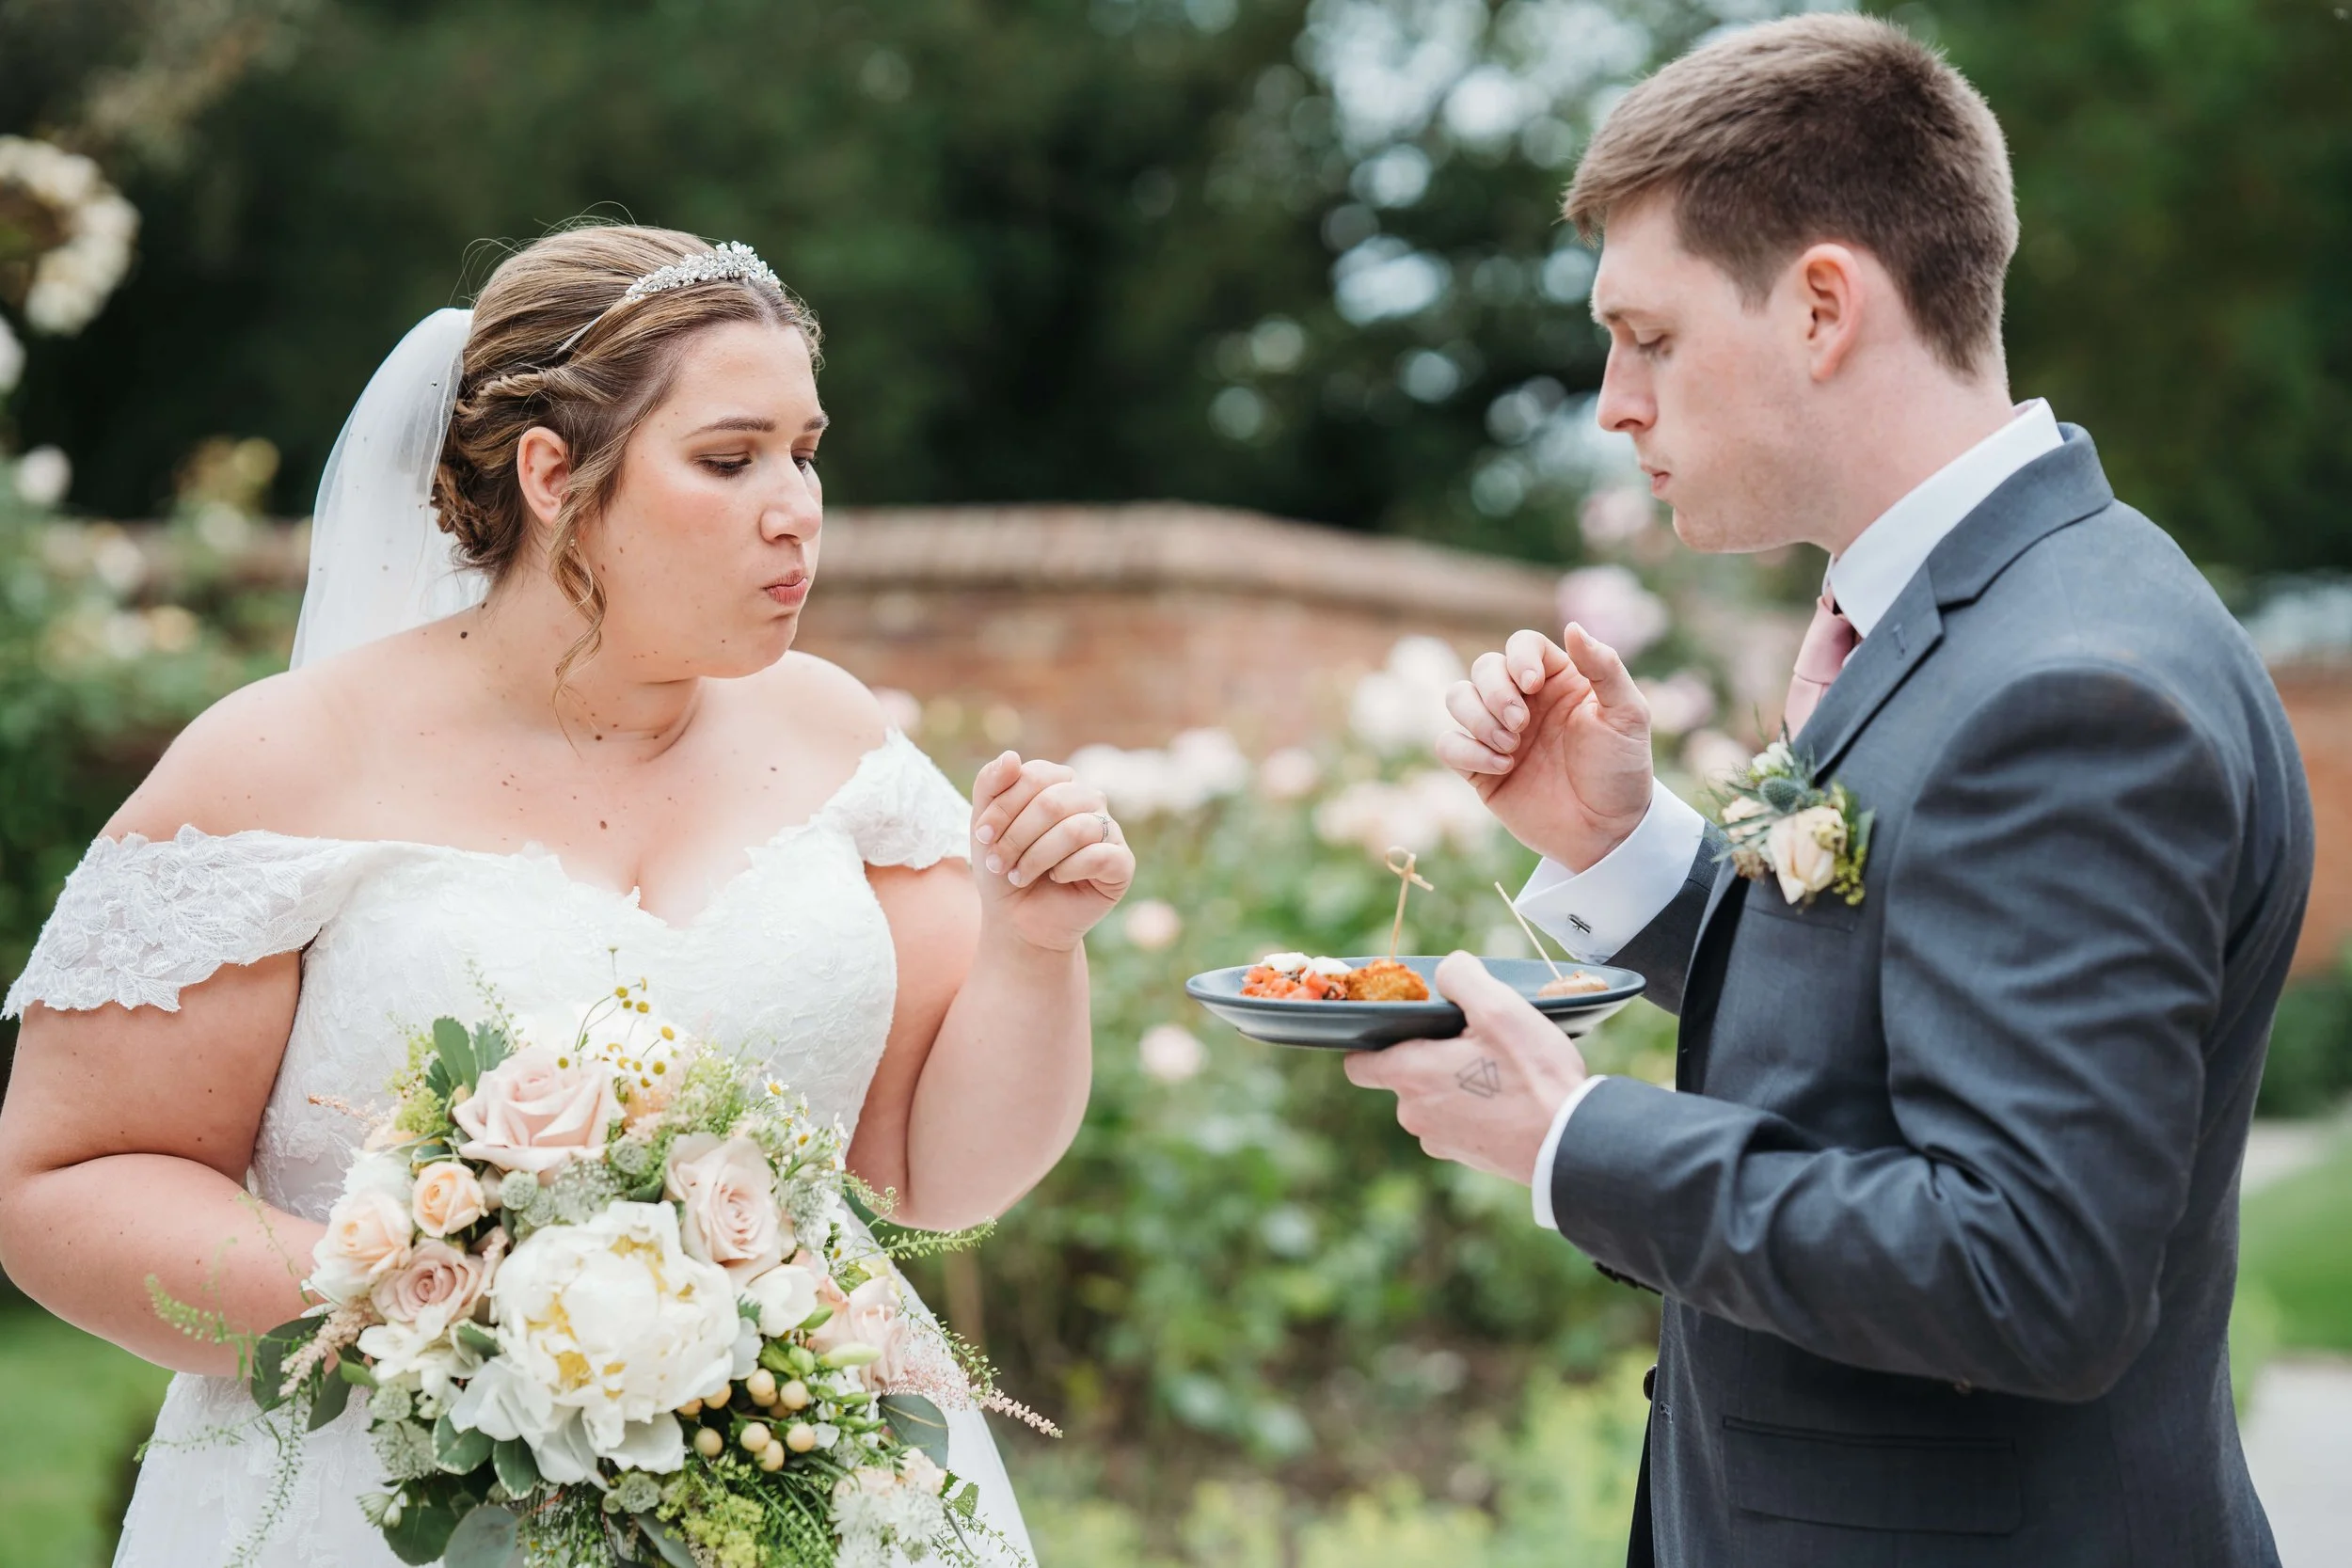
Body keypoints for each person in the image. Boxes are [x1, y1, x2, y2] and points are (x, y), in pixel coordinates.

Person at [0, 224, 1132, 1565]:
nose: (797, 507)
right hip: (376, 1505)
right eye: (729, 458)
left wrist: (1033, 947)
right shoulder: (285, 762)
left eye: (805, 450)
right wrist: (461, 1311)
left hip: (804, 1489)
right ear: (553, 474)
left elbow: (934, 1171)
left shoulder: (836, 736)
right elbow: (61, 1181)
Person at [1343, 16, 2311, 1566]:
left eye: (1647, 336)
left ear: (1819, 306)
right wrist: (1620, 846)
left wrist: (1571, 1139)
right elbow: (1886, 1018)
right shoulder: (2001, 609)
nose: (1611, 401)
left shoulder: (2074, 688)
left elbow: (2029, 1270)